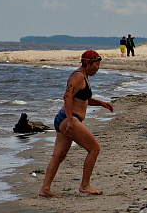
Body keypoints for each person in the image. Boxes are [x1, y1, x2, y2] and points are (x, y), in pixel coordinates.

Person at [39, 50, 114, 197]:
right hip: (69, 119)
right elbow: (67, 96)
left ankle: (45, 189)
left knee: (58, 156)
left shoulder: (84, 76)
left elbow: (82, 98)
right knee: (94, 149)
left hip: (65, 119)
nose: (98, 68)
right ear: (87, 63)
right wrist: (70, 120)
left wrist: (101, 103)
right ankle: (85, 185)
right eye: (96, 65)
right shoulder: (78, 76)